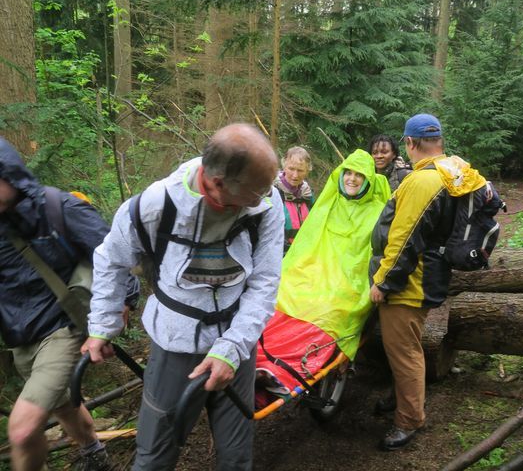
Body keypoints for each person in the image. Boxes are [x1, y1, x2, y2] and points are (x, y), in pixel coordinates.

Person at [81, 123, 284, 470]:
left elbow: (265, 282)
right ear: (218, 183)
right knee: (154, 456)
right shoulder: (154, 206)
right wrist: (102, 325)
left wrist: (233, 348)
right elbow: (110, 259)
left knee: (236, 458)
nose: (267, 196)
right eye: (257, 191)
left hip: (239, 340)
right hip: (175, 346)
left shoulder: (267, 202)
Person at [0, 137, 139, 471]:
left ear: (9, 174)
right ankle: (95, 455)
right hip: (21, 338)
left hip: (62, 327)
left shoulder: (58, 208)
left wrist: (124, 304)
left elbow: (117, 258)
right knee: (63, 407)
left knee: (21, 429)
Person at [369, 114, 487, 450]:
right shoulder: (452, 171)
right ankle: (402, 396)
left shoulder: (421, 182)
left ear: (408, 142)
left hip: (410, 282)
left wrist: (384, 282)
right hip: (429, 275)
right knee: (404, 346)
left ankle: (409, 419)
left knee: (404, 351)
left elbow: (404, 240)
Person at [256, 149, 390, 395]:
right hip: (314, 274)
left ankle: (292, 367)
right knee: (283, 291)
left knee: (329, 308)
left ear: (369, 179)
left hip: (349, 283)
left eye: (359, 175)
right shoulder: (328, 204)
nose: (352, 178)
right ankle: (258, 358)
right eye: (348, 173)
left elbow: (372, 256)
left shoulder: (379, 211)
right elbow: (308, 245)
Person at [273, 146, 314, 252]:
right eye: (291, 169)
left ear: (307, 171)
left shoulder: (308, 195)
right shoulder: (272, 192)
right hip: (278, 254)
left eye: (300, 170)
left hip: (303, 253)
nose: (295, 175)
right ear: (284, 166)